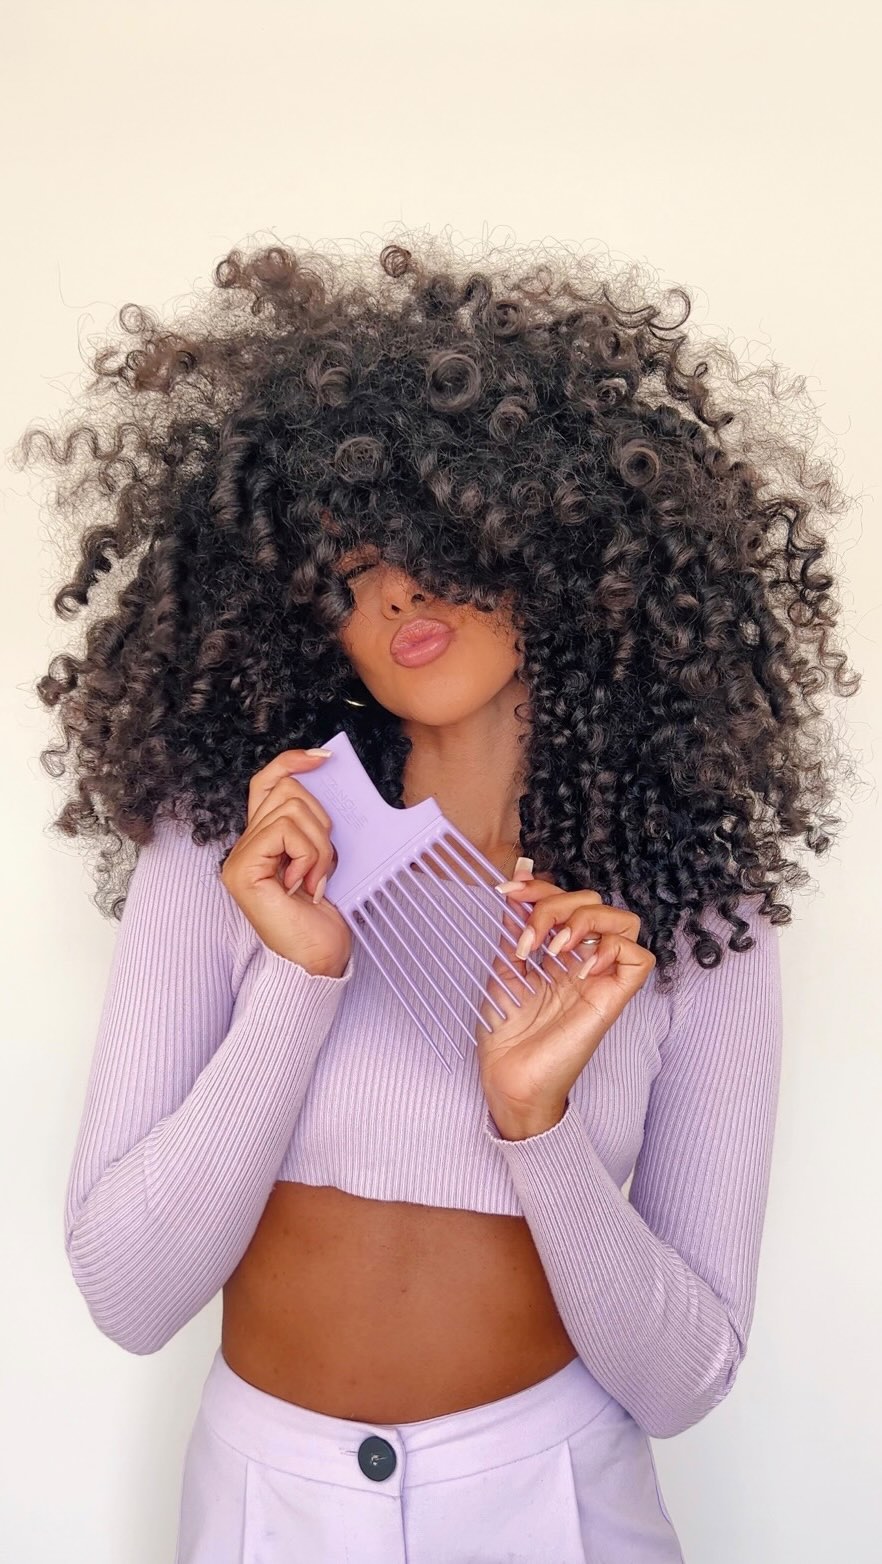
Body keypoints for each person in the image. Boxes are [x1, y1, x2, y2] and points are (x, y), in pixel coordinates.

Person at [29, 233, 860, 1561]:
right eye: (343, 575)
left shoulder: (689, 909)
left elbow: (684, 1380)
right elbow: (129, 1295)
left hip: (556, 1506)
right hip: (263, 1512)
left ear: (551, 538)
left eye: (431, 542)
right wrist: (302, 977)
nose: (394, 593)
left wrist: (537, 1128)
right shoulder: (243, 851)